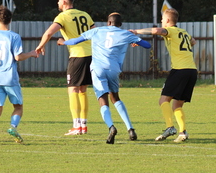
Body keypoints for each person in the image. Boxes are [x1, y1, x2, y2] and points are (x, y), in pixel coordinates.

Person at [61, 12, 151, 144]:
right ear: (120, 24)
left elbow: (76, 41)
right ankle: (130, 128)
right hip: (113, 69)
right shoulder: (125, 34)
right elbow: (147, 45)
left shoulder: (97, 30)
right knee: (115, 97)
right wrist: (135, 39)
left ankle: (111, 127)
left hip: (97, 69)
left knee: (102, 100)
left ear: (108, 23)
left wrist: (63, 42)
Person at [130, 8, 198, 143]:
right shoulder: (183, 32)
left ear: (167, 20)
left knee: (163, 101)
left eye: (162, 19)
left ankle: (170, 127)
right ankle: (183, 132)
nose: (161, 21)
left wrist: (136, 32)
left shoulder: (170, 31)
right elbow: (193, 41)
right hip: (192, 71)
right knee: (177, 105)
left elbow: (157, 31)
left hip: (180, 70)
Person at [36, 0, 95, 136]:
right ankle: (83, 125)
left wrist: (41, 45)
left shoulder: (63, 16)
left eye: (58, 0)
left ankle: (76, 126)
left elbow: (49, 33)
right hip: (90, 55)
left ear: (64, 2)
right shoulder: (85, 15)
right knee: (83, 90)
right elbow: (95, 32)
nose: (57, 2)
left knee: (73, 89)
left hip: (77, 56)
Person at [0, 6, 38, 145]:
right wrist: (31, 53)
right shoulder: (14, 36)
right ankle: (13, 127)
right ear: (10, 20)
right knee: (18, 107)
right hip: (10, 77)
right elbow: (18, 57)